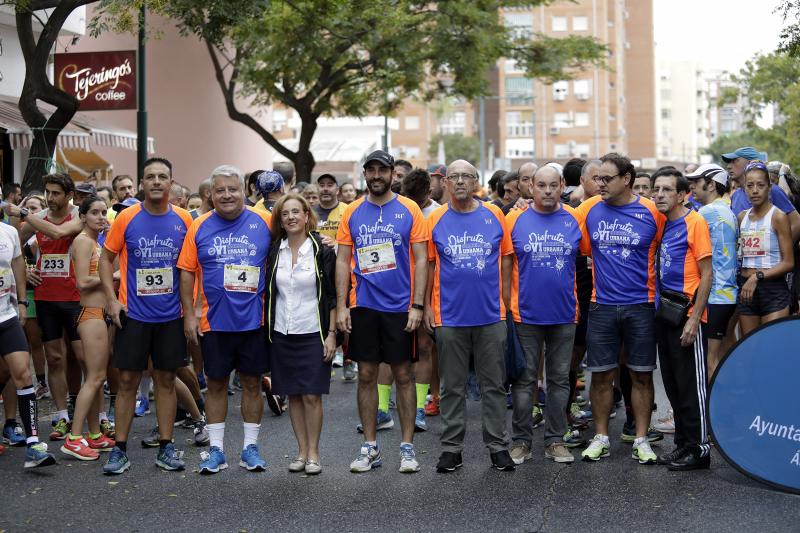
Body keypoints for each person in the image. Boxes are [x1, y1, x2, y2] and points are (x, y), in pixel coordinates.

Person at [99, 157, 193, 474]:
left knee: (165, 380)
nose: (155, 181)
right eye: (150, 176)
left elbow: (191, 268)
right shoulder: (126, 218)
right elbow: (104, 260)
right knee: (127, 381)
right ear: (141, 183)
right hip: (134, 314)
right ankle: (119, 450)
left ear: (171, 183)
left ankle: (166, 447)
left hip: (170, 315)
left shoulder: (183, 219)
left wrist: (191, 310)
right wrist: (111, 302)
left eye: (162, 177)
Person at [336, 149, 427, 474]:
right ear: (365, 174)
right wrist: (342, 306)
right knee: (366, 375)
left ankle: (407, 447)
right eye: (370, 170)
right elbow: (343, 260)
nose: (376, 176)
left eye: (382, 170)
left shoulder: (410, 209)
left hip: (400, 308)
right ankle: (370, 446)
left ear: (392, 174)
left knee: (403, 375)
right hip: (364, 306)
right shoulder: (352, 212)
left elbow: (419, 259)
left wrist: (417, 304)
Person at [178, 165, 272, 475]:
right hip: (213, 322)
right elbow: (187, 271)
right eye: (220, 190)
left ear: (244, 191)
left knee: (252, 384)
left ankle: (250, 448)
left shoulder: (265, 221)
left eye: (233, 189)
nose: (227, 195)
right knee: (216, 385)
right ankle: (216, 450)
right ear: (210, 194)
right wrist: (189, 315)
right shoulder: (199, 225)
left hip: (254, 321)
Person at [424, 159, 515, 473]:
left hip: (491, 316)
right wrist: (427, 308)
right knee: (452, 387)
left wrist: (504, 305)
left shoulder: (494, 215)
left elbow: (505, 261)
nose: (460, 181)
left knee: (494, 386)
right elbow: (430, 266)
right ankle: (452, 448)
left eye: (467, 176)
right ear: (446, 183)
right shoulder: (435, 219)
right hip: (449, 316)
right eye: (454, 177)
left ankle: (498, 447)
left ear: (477, 181)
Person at [574, 152, 664, 465]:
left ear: (626, 179)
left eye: (606, 179)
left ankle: (641, 438)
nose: (599, 184)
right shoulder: (588, 210)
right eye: (597, 178)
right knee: (600, 376)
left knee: (641, 375)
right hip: (602, 305)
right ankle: (600, 437)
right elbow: (563, 227)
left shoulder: (652, 212)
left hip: (640, 304)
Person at [506, 165, 584, 464]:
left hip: (564, 313)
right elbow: (504, 267)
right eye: (541, 185)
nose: (548, 191)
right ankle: (521, 441)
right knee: (524, 382)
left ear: (562, 185)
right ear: (531, 188)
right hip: (525, 314)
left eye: (553, 185)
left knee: (559, 381)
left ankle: (555, 440)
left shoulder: (575, 217)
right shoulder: (515, 218)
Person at [2, 174, 86, 441]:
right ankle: (62, 417)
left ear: (69, 194)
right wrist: (26, 269)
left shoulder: (78, 216)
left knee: (81, 358)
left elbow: (58, 232)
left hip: (76, 297)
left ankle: (90, 413)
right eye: (48, 193)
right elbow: (16, 243)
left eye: (56, 193)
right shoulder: (39, 218)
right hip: (47, 297)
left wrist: (24, 211)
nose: (50, 198)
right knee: (55, 358)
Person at [266, 194, 336, 475]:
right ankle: (300, 451)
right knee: (293, 394)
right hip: (282, 331)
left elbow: (331, 295)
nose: (291, 217)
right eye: (285, 214)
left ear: (307, 215)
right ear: (280, 221)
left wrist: (332, 335)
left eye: (297, 212)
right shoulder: (274, 250)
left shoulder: (322, 249)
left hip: (313, 330)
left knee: (311, 396)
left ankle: (314, 453)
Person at [650, 166, 713, 470]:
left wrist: (694, 318)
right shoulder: (662, 222)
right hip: (665, 314)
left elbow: (708, 274)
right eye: (656, 189)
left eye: (666, 190)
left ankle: (700, 448)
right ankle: (682, 444)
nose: (659, 195)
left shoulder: (695, 222)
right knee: (673, 384)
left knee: (691, 386)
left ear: (681, 194)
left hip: (687, 315)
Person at [61, 196, 116, 460]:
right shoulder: (82, 241)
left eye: (104, 212)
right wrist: (111, 276)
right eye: (94, 212)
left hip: (101, 315)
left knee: (98, 377)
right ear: (82, 216)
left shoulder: (97, 242)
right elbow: (82, 282)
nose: (100, 216)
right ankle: (74, 437)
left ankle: (94, 434)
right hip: (91, 314)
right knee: (94, 378)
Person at [0, 211, 56, 468]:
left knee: (22, 373)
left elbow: (17, 266)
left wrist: (22, 302)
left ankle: (33, 444)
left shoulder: (9, 232)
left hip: (6, 315)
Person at [686, 164, 738, 379]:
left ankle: (710, 410)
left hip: (715, 294)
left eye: (697, 182)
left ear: (712, 185)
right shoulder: (728, 209)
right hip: (728, 294)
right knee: (725, 355)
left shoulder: (707, 212)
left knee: (710, 361)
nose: (692, 187)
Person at [736, 161, 795, 335]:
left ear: (769, 187)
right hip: (746, 288)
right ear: (744, 188)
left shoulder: (778, 216)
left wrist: (757, 277)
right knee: (750, 349)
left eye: (760, 185)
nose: (755, 190)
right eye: (750, 185)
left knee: (771, 347)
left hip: (772, 288)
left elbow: (789, 262)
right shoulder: (741, 217)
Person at [723, 147, 800, 241]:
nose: (729, 166)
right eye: (729, 162)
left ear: (750, 162)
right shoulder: (736, 195)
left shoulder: (772, 191)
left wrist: (781, 249)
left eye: (735, 161)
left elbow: (797, 223)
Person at [314, 174, 348, 244]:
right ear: (317, 190)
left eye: (330, 185)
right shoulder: (310, 213)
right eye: (322, 185)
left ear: (337, 190)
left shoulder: (348, 210)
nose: (325, 189)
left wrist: (335, 243)